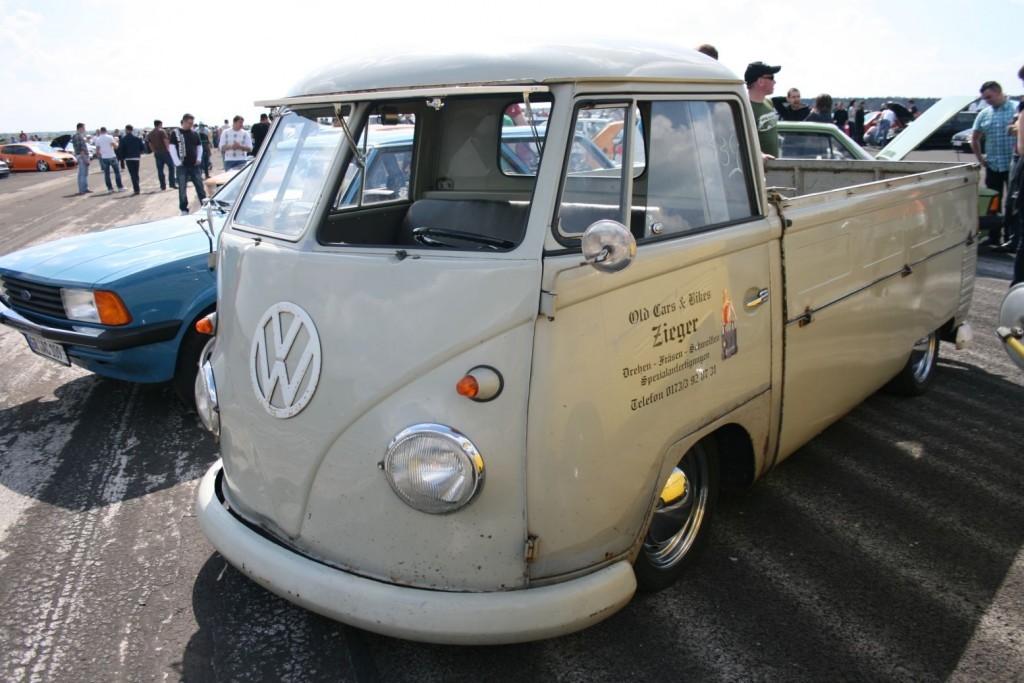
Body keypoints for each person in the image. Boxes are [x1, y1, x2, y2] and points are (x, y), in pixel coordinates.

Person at [971, 80, 1017, 247]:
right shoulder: (984, 114)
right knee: (993, 203)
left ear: (999, 92)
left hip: (1013, 165)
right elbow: (975, 138)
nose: (987, 101)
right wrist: (980, 158)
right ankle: (993, 236)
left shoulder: (1016, 109)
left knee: (1013, 203)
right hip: (993, 165)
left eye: (989, 97)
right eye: (985, 98)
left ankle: (1011, 237)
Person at [169, 113, 206, 215]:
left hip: (194, 165)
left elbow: (199, 147)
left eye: (192, 123)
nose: (191, 125)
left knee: (200, 187)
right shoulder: (176, 133)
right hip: (182, 166)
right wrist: (177, 162)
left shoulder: (194, 133)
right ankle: (184, 209)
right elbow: (172, 148)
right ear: (184, 122)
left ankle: (204, 205)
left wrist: (198, 158)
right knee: (182, 188)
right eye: (189, 123)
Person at [744, 61, 781, 160]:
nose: (774, 82)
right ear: (760, 81)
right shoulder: (745, 107)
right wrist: (759, 154)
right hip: (757, 167)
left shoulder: (769, 103)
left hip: (773, 165)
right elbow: (739, 139)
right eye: (771, 78)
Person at [147, 120, 177, 190]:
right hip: (164, 152)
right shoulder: (161, 131)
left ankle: (162, 185)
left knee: (160, 170)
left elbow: (150, 144)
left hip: (157, 152)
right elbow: (165, 141)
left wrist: (154, 151)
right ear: (160, 124)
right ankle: (172, 183)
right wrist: (169, 150)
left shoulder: (150, 133)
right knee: (171, 167)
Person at [93, 126, 124, 193]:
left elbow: (97, 150)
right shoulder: (110, 137)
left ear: (100, 131)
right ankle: (120, 187)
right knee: (117, 172)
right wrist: (117, 141)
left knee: (107, 174)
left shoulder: (98, 139)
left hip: (104, 157)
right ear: (106, 131)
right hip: (111, 155)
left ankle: (110, 188)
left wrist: (99, 154)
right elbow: (115, 147)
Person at [120, 124, 146, 195]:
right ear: (132, 130)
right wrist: (138, 152)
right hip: (136, 157)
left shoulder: (124, 139)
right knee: (136, 173)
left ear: (126, 130)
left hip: (128, 158)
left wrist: (123, 157)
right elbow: (142, 148)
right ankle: (137, 187)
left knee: (132, 174)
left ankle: (136, 189)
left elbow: (121, 149)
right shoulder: (137, 139)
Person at [71, 122, 91, 195]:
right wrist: (85, 158)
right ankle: (83, 189)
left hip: (80, 155)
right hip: (82, 156)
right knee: (83, 173)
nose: (84, 129)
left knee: (82, 173)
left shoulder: (76, 136)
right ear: (80, 128)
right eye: (83, 128)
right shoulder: (78, 136)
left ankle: (84, 188)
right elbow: (81, 148)